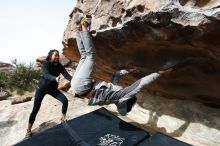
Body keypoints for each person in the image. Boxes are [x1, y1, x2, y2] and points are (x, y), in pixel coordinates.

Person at [26, 49, 72, 138]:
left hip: (52, 89)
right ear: (51, 56)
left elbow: (66, 75)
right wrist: (55, 78)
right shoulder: (45, 64)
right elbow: (45, 74)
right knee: (35, 109)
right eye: (55, 55)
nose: (57, 57)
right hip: (42, 89)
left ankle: (63, 120)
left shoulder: (59, 65)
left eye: (58, 55)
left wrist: (74, 80)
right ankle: (28, 131)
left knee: (65, 101)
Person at [70, 14, 96, 97]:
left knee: (90, 55)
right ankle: (78, 28)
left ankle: (84, 25)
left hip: (80, 88)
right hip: (74, 85)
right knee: (84, 55)